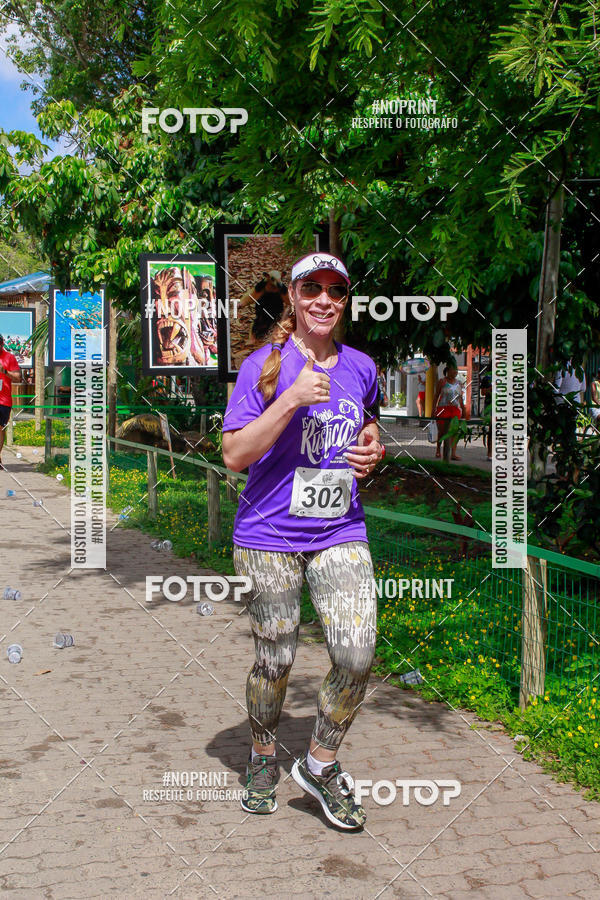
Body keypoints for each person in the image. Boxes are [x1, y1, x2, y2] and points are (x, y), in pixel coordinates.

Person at [222, 251, 385, 831]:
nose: (323, 299)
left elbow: (362, 430)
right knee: (277, 659)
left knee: (357, 653)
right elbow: (236, 455)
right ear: (292, 297)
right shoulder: (262, 366)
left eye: (335, 290)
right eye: (310, 288)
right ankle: (264, 756)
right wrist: (290, 399)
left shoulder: (361, 366)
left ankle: (320, 764)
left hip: (340, 528)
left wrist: (372, 450)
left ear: (344, 300)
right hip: (268, 535)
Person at [433, 363, 467, 460]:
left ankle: (453, 453)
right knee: (442, 431)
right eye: (453, 369)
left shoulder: (459, 383)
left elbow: (460, 398)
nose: (455, 372)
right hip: (443, 409)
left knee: (454, 431)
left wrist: (463, 410)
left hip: (455, 410)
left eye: (456, 370)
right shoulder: (442, 382)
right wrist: (433, 409)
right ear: (447, 371)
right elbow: (436, 396)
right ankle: (438, 450)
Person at [0, 334, 21, 469]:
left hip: (3, 400)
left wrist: (4, 371)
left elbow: (18, 377)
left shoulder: (9, 358)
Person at [480, 370, 492, 460]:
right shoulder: (487, 378)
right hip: (490, 406)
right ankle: (490, 453)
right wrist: (490, 389)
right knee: (492, 429)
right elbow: (483, 392)